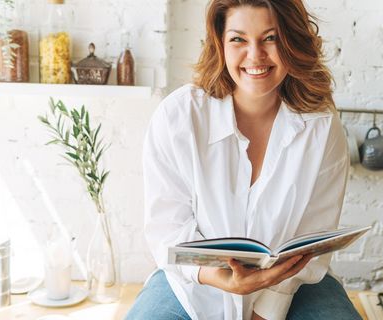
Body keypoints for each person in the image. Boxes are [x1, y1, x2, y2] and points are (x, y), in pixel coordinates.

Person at [126, 0, 361, 319]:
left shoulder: (321, 126)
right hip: (193, 283)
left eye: (271, 38)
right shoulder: (178, 117)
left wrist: (265, 311)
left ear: (292, 41)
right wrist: (219, 278)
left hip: (292, 282)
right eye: (238, 39)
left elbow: (312, 240)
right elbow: (167, 228)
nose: (256, 56)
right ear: (220, 43)